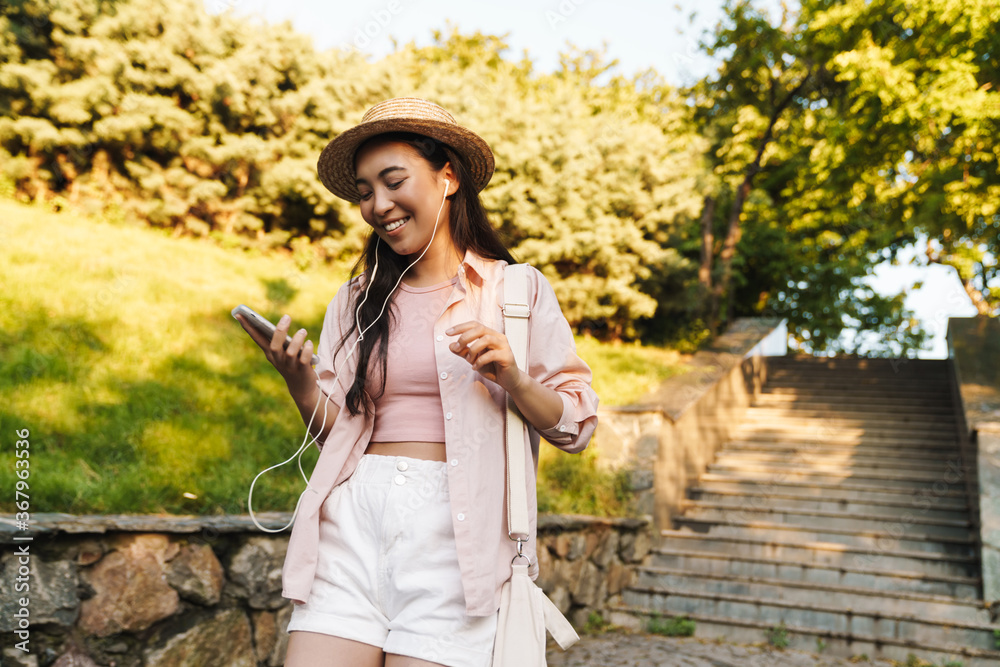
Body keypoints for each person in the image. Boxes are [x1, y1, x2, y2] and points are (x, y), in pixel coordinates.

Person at [235, 97, 599, 667]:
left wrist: (513, 378)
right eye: (363, 191)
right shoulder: (356, 301)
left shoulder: (517, 292)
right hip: (352, 525)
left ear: (447, 176)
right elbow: (339, 432)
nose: (378, 204)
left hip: (457, 539)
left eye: (393, 180)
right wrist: (301, 384)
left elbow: (577, 426)